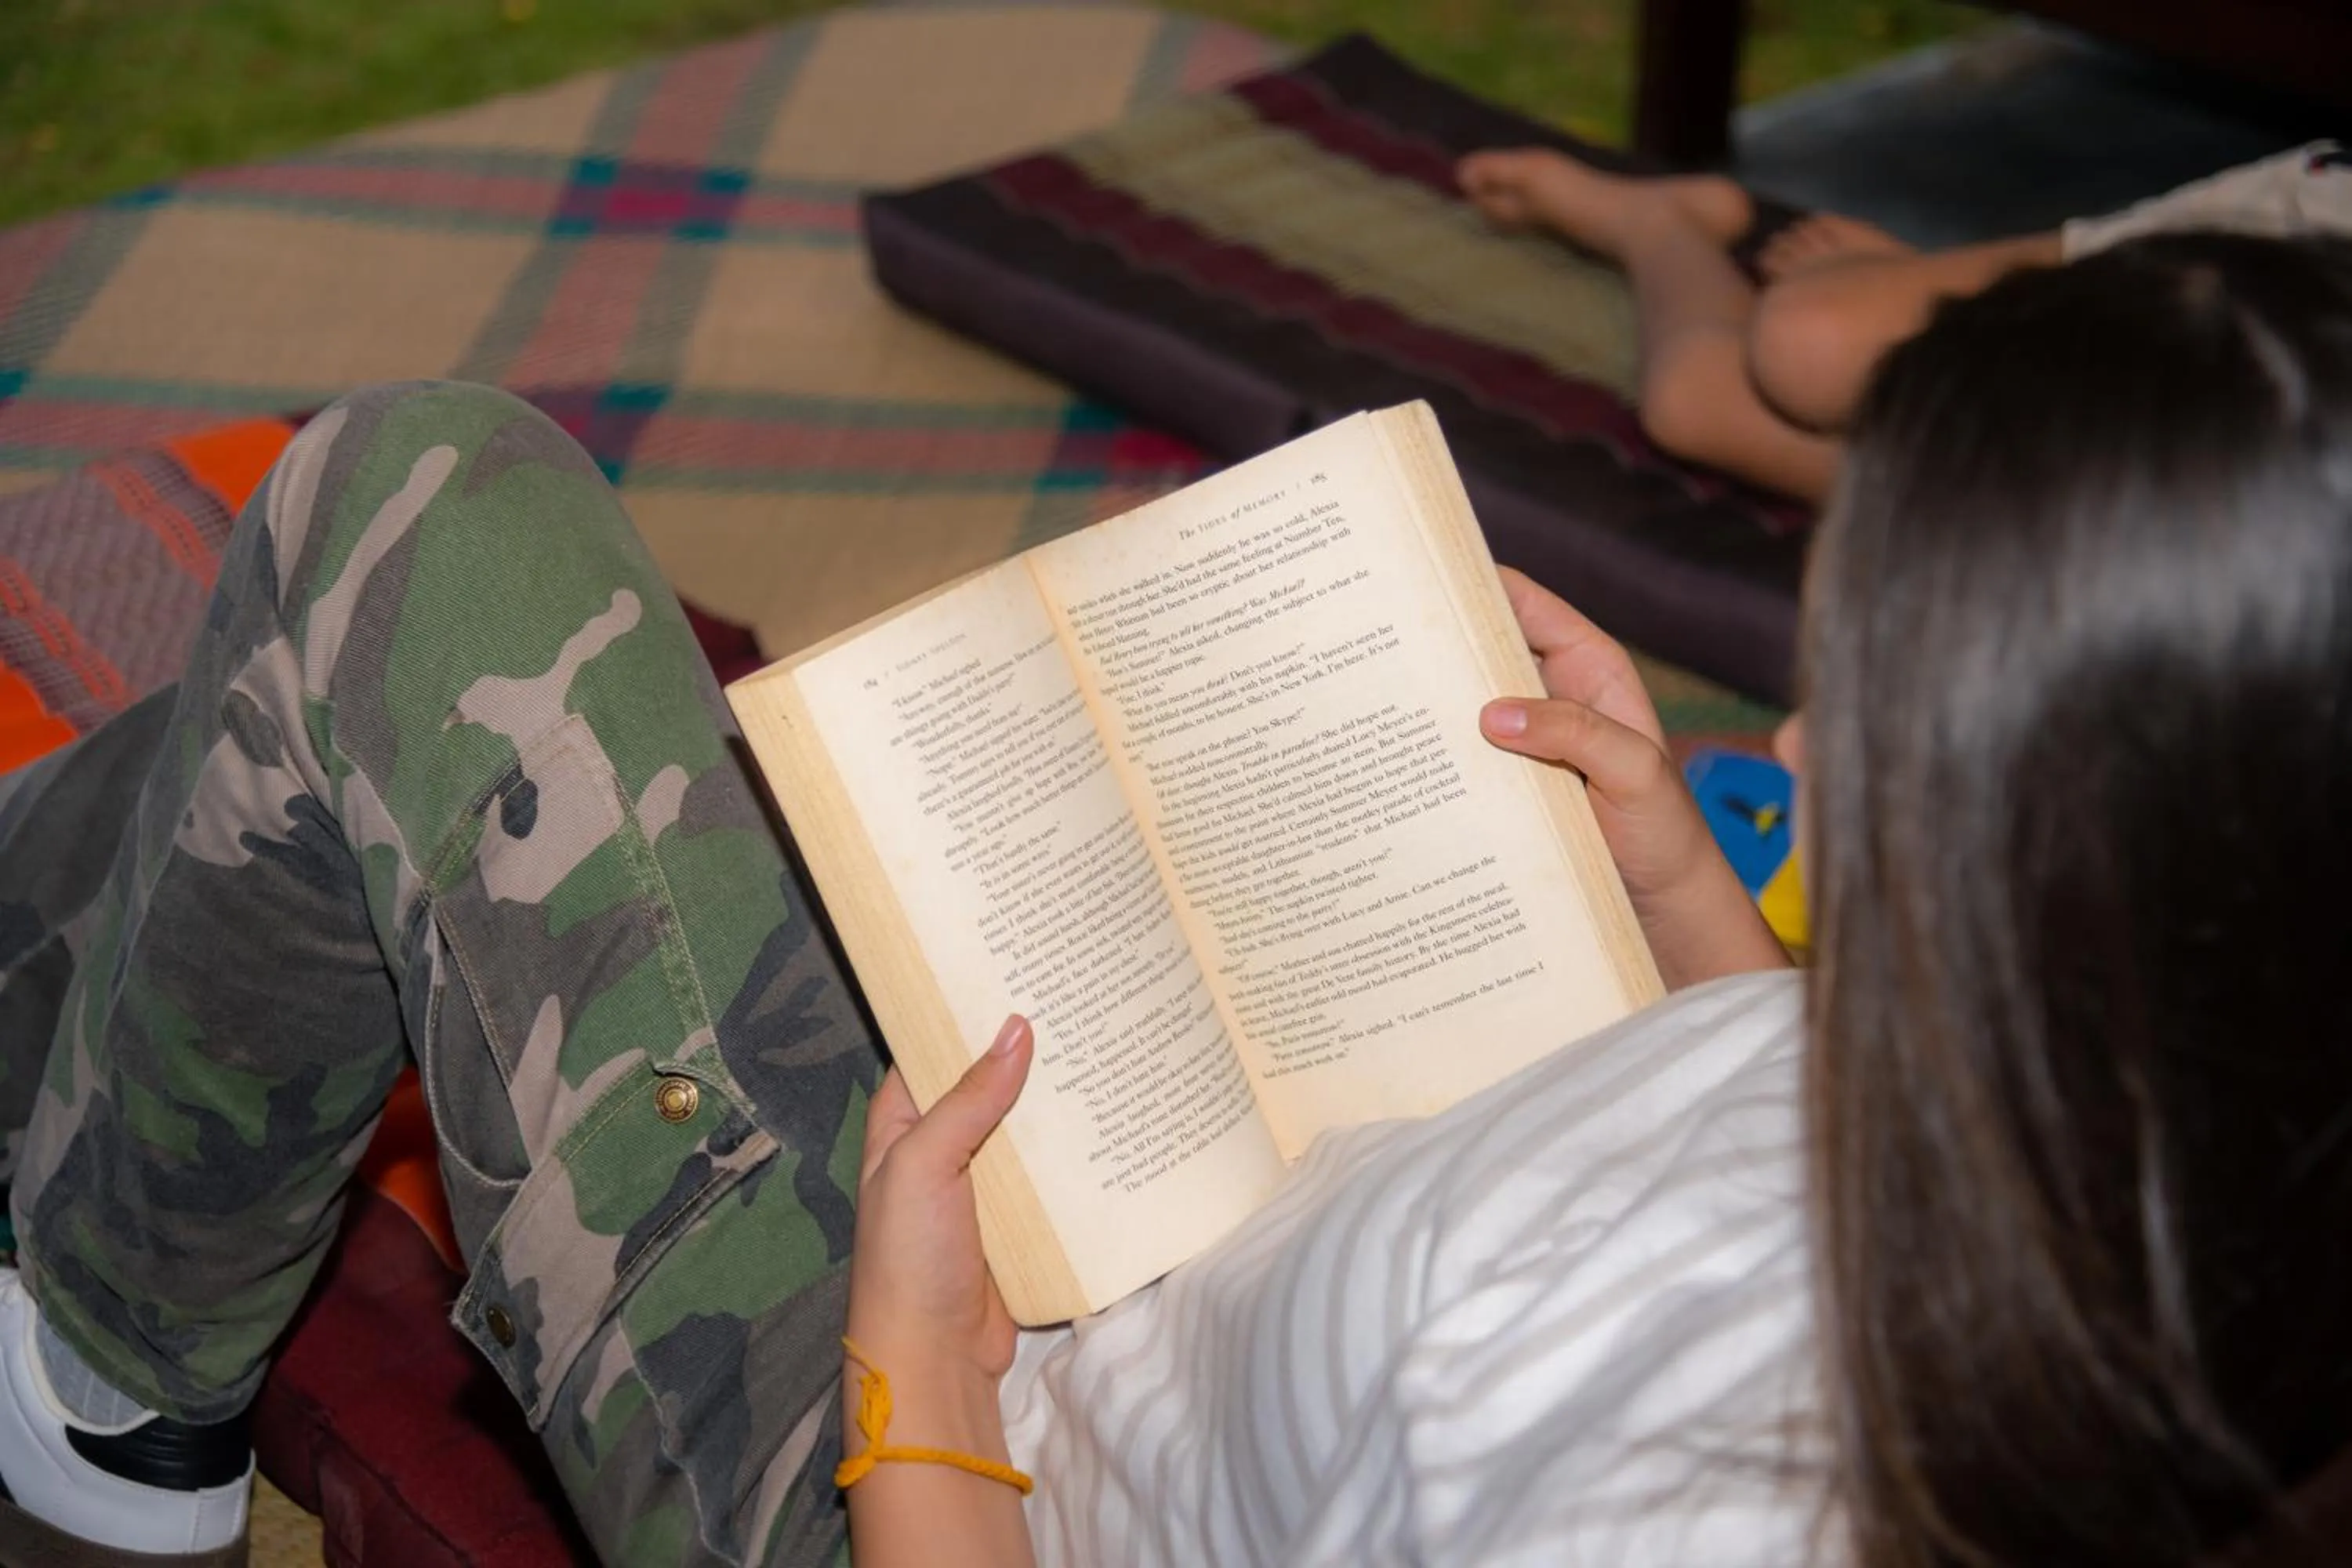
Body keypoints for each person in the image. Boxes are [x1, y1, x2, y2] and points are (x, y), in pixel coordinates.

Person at [4, 230, 2352, 1568]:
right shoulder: (2190, 1209)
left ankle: (105, 1404)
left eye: (1887, 704)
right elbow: (1787, 1157)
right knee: (402, 737)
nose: (1812, 753)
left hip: (945, 1462)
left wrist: (917, 1408)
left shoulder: (1682, 1515)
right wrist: (1685, 919)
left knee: (415, 529)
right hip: (1161, 1246)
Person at [1455, 141, 2352, 503]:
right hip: (2292, 267)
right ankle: (1906, 290)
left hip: (2138, 511)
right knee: (1809, 343)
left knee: (1696, 400)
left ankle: (1657, 225)